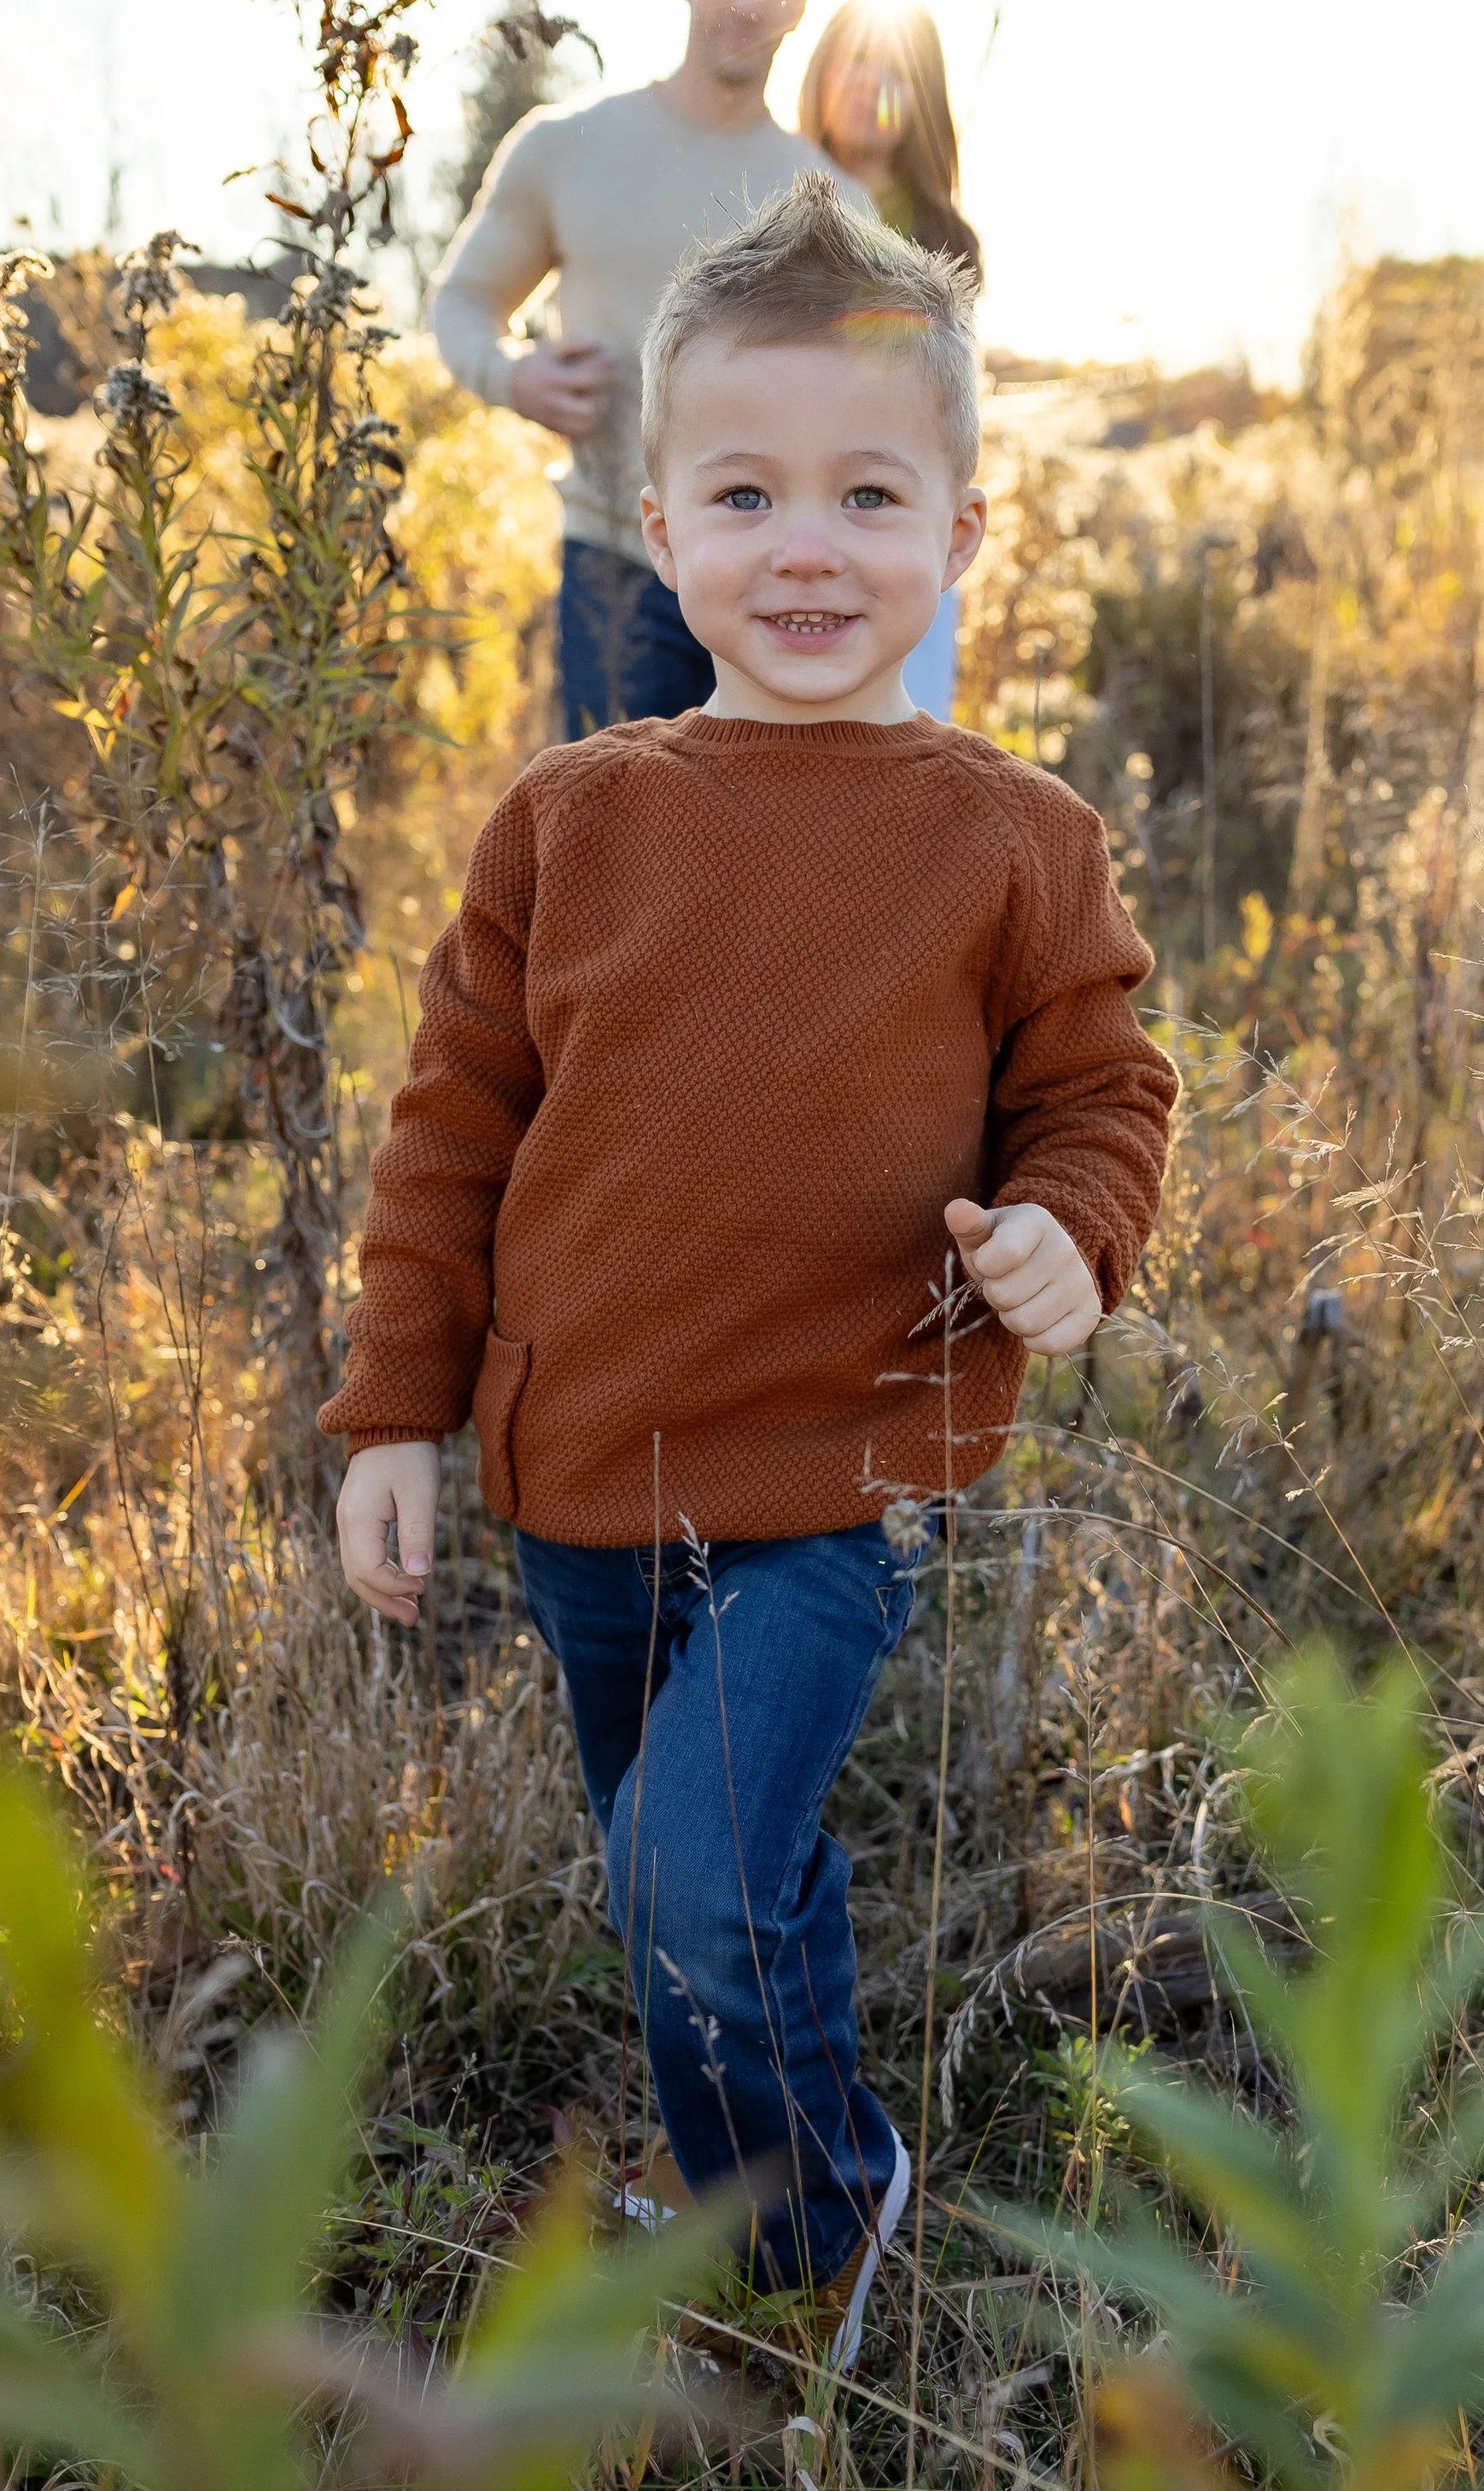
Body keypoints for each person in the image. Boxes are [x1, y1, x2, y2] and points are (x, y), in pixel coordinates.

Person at [325, 177, 1177, 2359]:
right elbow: (450, 1136)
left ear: (965, 534)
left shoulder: (1012, 836)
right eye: (747, 491)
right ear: (656, 520)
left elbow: (1102, 1085)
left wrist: (1068, 1237)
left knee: (690, 1871)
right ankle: (745, 2158)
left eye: (871, 492)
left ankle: (812, 2229)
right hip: (581, 1465)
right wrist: (396, 1407)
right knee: (702, 1877)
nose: (809, 544)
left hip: (834, 1468)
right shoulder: (572, 819)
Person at [429, 0, 868, 735]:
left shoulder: (832, 203)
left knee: (763, 861)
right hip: (616, 565)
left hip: (781, 581)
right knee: (617, 853)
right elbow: (462, 302)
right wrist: (513, 376)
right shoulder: (566, 148)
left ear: (801, 7)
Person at [801, 0, 985, 721]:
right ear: (818, 73)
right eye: (852, 62)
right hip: (790, 524)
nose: (866, 84)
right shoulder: (761, 210)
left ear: (922, 100)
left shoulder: (945, 238)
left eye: (892, 73)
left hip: (896, 532)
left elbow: (944, 412)